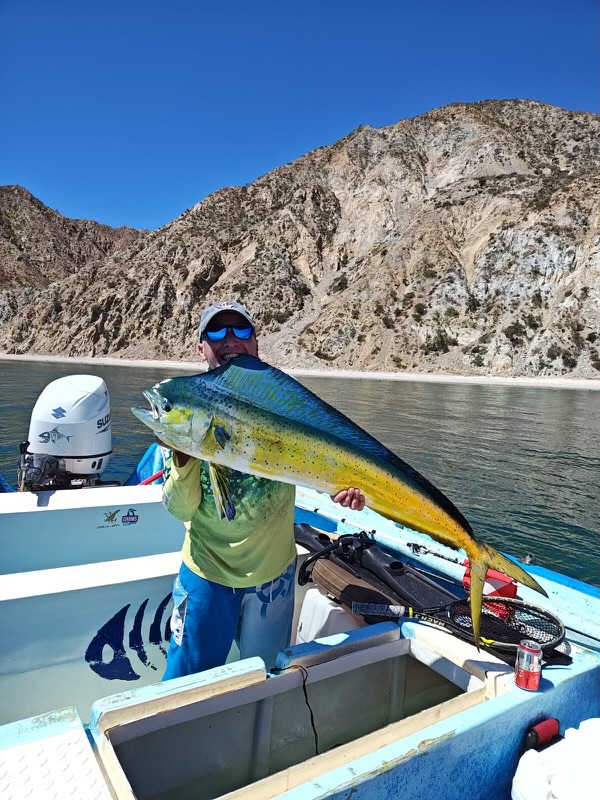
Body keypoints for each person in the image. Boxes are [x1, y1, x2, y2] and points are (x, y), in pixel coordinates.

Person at [161, 300, 365, 680]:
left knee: (264, 682)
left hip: (274, 577)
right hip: (207, 575)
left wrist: (340, 491)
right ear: (201, 346)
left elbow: (313, 466)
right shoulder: (184, 412)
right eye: (217, 332)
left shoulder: (282, 406)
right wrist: (184, 456)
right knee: (182, 687)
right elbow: (181, 509)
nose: (230, 340)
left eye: (241, 331)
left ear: (255, 343)